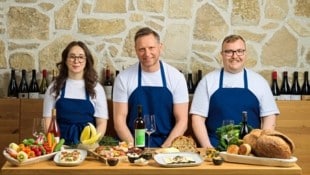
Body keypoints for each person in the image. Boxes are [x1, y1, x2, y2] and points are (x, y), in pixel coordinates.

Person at [190, 34, 279, 148]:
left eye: (239, 51)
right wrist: (208, 147)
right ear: (222, 55)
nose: (234, 56)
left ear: (245, 53)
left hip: (249, 149)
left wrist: (261, 145)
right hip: (216, 148)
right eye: (229, 52)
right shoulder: (208, 81)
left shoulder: (259, 82)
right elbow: (197, 118)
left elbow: (269, 117)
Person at [113, 27, 189, 148]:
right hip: (133, 143)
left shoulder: (176, 77)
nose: (147, 54)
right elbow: (119, 121)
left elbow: (182, 122)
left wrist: (165, 148)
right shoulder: (123, 78)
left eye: (151, 48)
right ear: (136, 51)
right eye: (142, 49)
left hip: (167, 144)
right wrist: (134, 148)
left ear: (160, 47)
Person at [43, 41, 108, 145]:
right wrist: (54, 145)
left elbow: (101, 123)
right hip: (59, 144)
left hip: (87, 146)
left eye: (81, 57)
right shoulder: (54, 87)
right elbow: (47, 120)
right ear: (65, 60)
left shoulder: (97, 88)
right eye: (72, 56)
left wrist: (91, 144)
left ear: (87, 61)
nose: (76, 60)